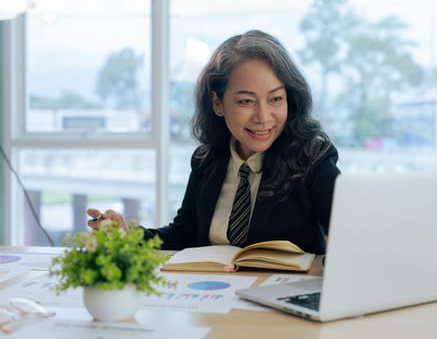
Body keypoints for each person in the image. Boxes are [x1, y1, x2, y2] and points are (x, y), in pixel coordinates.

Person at [87, 30, 340, 255]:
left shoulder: (313, 158)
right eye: (246, 101)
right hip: (213, 296)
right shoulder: (206, 160)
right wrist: (129, 235)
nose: (263, 117)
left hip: (283, 298)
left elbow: (347, 239)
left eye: (275, 99)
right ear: (217, 103)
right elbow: (184, 234)